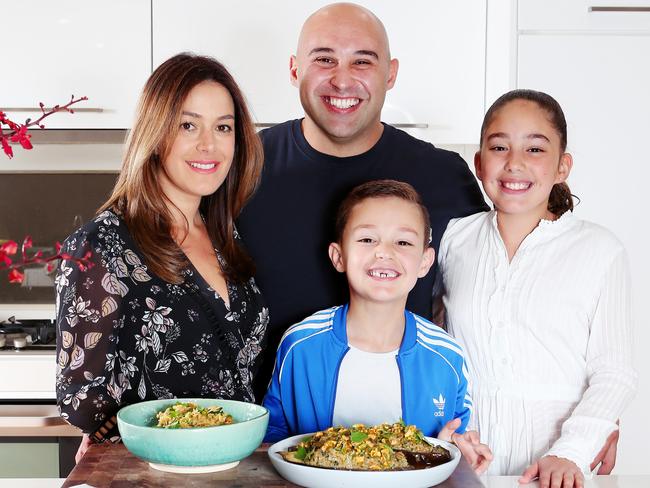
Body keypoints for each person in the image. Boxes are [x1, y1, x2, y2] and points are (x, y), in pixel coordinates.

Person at [237, 2, 488, 400]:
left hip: (408, 430)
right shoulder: (239, 167)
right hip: (263, 430)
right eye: (324, 59)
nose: (342, 80)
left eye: (362, 62)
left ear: (391, 74)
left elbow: (496, 297)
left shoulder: (443, 175)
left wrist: (591, 412)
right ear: (294, 69)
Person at [55, 53, 268, 461]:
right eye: (188, 125)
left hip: (228, 465)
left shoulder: (225, 234)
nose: (209, 144)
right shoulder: (101, 244)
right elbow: (80, 399)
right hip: (146, 470)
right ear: (156, 134)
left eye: (223, 127)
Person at [438, 89, 637, 486]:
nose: (514, 164)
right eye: (499, 147)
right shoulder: (452, 241)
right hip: (467, 466)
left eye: (534, 149)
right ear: (479, 163)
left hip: (556, 474)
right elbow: (427, 347)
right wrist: (447, 438)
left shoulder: (600, 250)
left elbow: (615, 372)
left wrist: (572, 451)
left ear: (562, 166)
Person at [262, 180, 492, 473]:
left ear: (424, 262)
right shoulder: (299, 344)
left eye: (404, 242)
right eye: (367, 239)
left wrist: (458, 452)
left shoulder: (446, 354)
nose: (384, 252)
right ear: (338, 256)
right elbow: (272, 441)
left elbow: (455, 437)